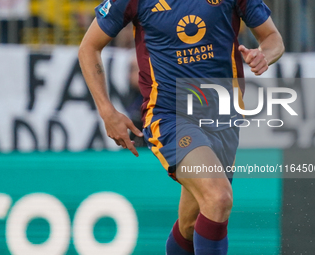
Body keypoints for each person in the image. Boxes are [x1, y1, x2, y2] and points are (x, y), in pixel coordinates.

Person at [78, 0, 284, 254]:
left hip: (223, 117)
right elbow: (89, 47)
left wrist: (264, 54)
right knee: (218, 197)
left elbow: (273, 38)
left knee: (191, 225)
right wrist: (107, 111)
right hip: (170, 116)